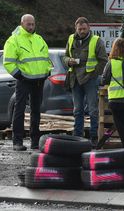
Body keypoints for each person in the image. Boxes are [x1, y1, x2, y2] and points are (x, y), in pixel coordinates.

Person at [3, 14, 52, 151]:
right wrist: (19, 75)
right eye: (28, 24)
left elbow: (46, 58)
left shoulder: (39, 39)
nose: (31, 27)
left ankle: (35, 142)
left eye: (32, 24)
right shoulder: (14, 40)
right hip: (24, 80)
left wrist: (48, 71)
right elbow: (8, 61)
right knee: (19, 109)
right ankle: (17, 141)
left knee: (36, 111)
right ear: (22, 23)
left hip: (39, 81)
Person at [63, 17, 108, 146]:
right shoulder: (71, 38)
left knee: (93, 110)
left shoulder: (96, 41)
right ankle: (78, 137)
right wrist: (68, 61)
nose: (82, 31)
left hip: (90, 80)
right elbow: (65, 56)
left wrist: (93, 74)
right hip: (75, 79)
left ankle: (93, 137)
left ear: (89, 28)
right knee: (77, 110)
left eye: (84, 28)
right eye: (79, 29)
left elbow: (103, 60)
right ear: (76, 28)